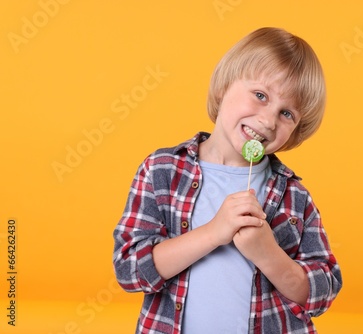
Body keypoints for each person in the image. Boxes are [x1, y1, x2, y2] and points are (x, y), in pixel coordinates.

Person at [113, 27, 342, 334]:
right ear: (223, 88)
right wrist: (213, 232)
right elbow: (129, 271)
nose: (269, 121)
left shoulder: (294, 196)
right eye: (260, 95)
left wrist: (267, 254)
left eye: (287, 113)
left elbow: (322, 293)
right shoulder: (161, 171)